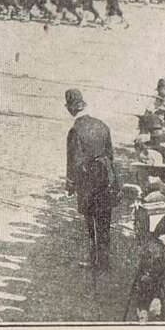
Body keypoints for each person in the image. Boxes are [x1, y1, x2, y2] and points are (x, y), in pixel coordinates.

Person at [64, 88, 118, 271]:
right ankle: (105, 260)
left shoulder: (75, 130)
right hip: (106, 178)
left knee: (92, 222)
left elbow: (74, 161)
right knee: (104, 221)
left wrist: (71, 184)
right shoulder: (102, 125)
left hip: (88, 182)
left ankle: (95, 260)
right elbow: (110, 155)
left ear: (71, 109)